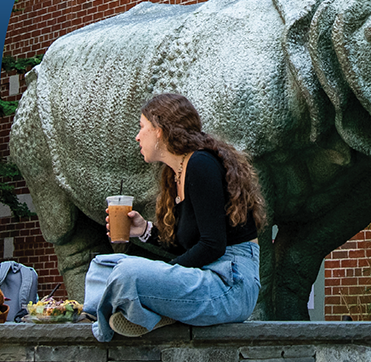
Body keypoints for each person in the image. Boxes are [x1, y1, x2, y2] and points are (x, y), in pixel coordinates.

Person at [83, 93, 265, 341]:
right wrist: (145, 231)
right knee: (103, 266)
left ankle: (149, 313)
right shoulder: (176, 174)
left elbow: (213, 245)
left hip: (230, 285)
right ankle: (161, 310)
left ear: (159, 130)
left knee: (128, 273)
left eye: (142, 127)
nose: (137, 136)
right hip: (206, 277)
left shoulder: (201, 163)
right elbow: (191, 245)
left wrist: (164, 274)